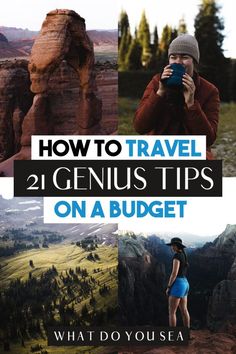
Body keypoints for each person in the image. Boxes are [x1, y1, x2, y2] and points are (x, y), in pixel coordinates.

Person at [133, 34, 220, 159]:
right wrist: (160, 93)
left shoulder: (209, 91)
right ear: (169, 61)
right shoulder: (157, 82)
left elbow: (208, 139)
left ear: (194, 61)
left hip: (190, 149)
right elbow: (140, 127)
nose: (178, 62)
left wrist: (191, 103)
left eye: (184, 57)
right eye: (173, 57)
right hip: (159, 147)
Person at [166, 237, 190, 330]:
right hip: (185, 283)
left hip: (178, 284)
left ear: (176, 246)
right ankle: (186, 334)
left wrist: (168, 287)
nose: (171, 247)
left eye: (172, 246)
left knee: (172, 312)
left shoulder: (176, 256)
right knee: (184, 310)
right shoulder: (184, 255)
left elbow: (174, 273)